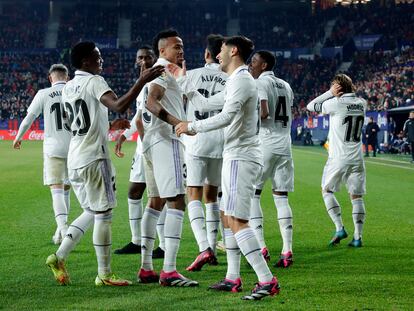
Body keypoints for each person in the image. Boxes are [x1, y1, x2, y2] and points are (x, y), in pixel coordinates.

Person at [45, 41, 164, 286]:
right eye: (97, 56)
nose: (101, 60)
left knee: (91, 210)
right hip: (94, 157)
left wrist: (108, 126)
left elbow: (79, 121)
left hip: (75, 157)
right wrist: (141, 81)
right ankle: (104, 274)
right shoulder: (94, 81)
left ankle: (59, 257)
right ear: (85, 61)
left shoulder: (68, 87)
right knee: (104, 214)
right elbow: (119, 105)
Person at [175, 36, 280, 300]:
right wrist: (187, 85)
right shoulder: (237, 80)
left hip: (241, 157)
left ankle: (267, 280)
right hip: (235, 155)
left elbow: (227, 116)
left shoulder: (243, 80)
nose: (217, 54)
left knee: (237, 220)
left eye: (221, 50)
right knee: (227, 217)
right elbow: (206, 105)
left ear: (233, 50)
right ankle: (233, 277)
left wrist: (192, 127)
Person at [137, 29, 198, 287]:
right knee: (177, 201)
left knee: (154, 202)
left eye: (182, 46)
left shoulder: (155, 72)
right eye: (176, 46)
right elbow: (152, 102)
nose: (181, 50)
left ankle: (146, 268)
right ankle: (169, 271)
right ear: (162, 51)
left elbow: (140, 115)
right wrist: (177, 123)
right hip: (166, 141)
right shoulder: (161, 70)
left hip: (149, 144)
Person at [113, 45, 165, 259]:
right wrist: (125, 135)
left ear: (155, 58)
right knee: (134, 191)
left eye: (147, 57)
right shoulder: (142, 84)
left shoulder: (159, 80)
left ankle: (162, 245)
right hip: (143, 145)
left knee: (159, 195)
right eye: (140, 57)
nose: (143, 60)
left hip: (159, 143)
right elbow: (139, 115)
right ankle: (137, 240)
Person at [13, 64, 71, 245]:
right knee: (66, 191)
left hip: (54, 148)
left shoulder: (43, 94)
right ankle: (59, 232)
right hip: (75, 147)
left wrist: (18, 137)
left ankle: (64, 230)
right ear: (67, 77)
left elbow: (28, 118)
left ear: (50, 78)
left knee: (57, 191)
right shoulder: (75, 90)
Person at [183, 34, 228, 272]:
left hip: (196, 139)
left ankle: (204, 247)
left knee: (193, 193)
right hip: (221, 142)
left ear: (206, 54)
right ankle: (212, 244)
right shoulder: (230, 78)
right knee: (213, 195)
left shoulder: (191, 75)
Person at [307, 74, 367, 248]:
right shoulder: (362, 103)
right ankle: (358, 237)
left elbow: (311, 106)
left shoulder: (335, 103)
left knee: (326, 190)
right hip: (357, 158)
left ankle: (339, 227)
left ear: (338, 88)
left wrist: (329, 93)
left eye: (333, 85)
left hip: (339, 158)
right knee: (356, 196)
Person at [248, 50, 294, 268]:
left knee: (253, 195)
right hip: (285, 145)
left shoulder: (260, 83)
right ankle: (287, 250)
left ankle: (261, 247)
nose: (250, 65)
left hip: (266, 143)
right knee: (281, 197)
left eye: (254, 61)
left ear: (264, 65)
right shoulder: (286, 85)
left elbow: (264, 113)